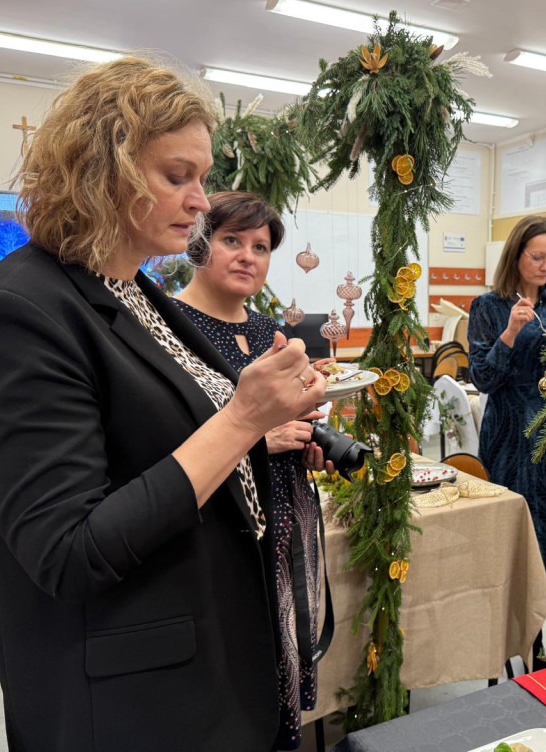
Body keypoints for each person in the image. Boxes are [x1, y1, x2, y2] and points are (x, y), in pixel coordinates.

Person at [0, 57, 327, 752]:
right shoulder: (14, 311)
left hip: (205, 665)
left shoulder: (131, 291)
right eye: (177, 176)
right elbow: (69, 551)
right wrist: (244, 419)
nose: (201, 201)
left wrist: (268, 422)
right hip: (127, 706)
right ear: (102, 170)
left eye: (202, 177)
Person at [172, 191, 330, 749]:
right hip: (223, 523)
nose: (247, 256)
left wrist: (306, 442)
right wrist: (260, 440)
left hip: (286, 514)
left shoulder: (271, 333)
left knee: (283, 648)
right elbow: (169, 441)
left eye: (260, 247)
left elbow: (288, 417)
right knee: (235, 659)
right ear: (199, 243)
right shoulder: (172, 327)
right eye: (231, 240)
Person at [468, 215, 546, 664]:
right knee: (524, 539)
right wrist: (508, 333)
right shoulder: (487, 306)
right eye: (537, 256)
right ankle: (532, 650)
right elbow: (483, 379)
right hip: (510, 437)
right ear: (516, 255)